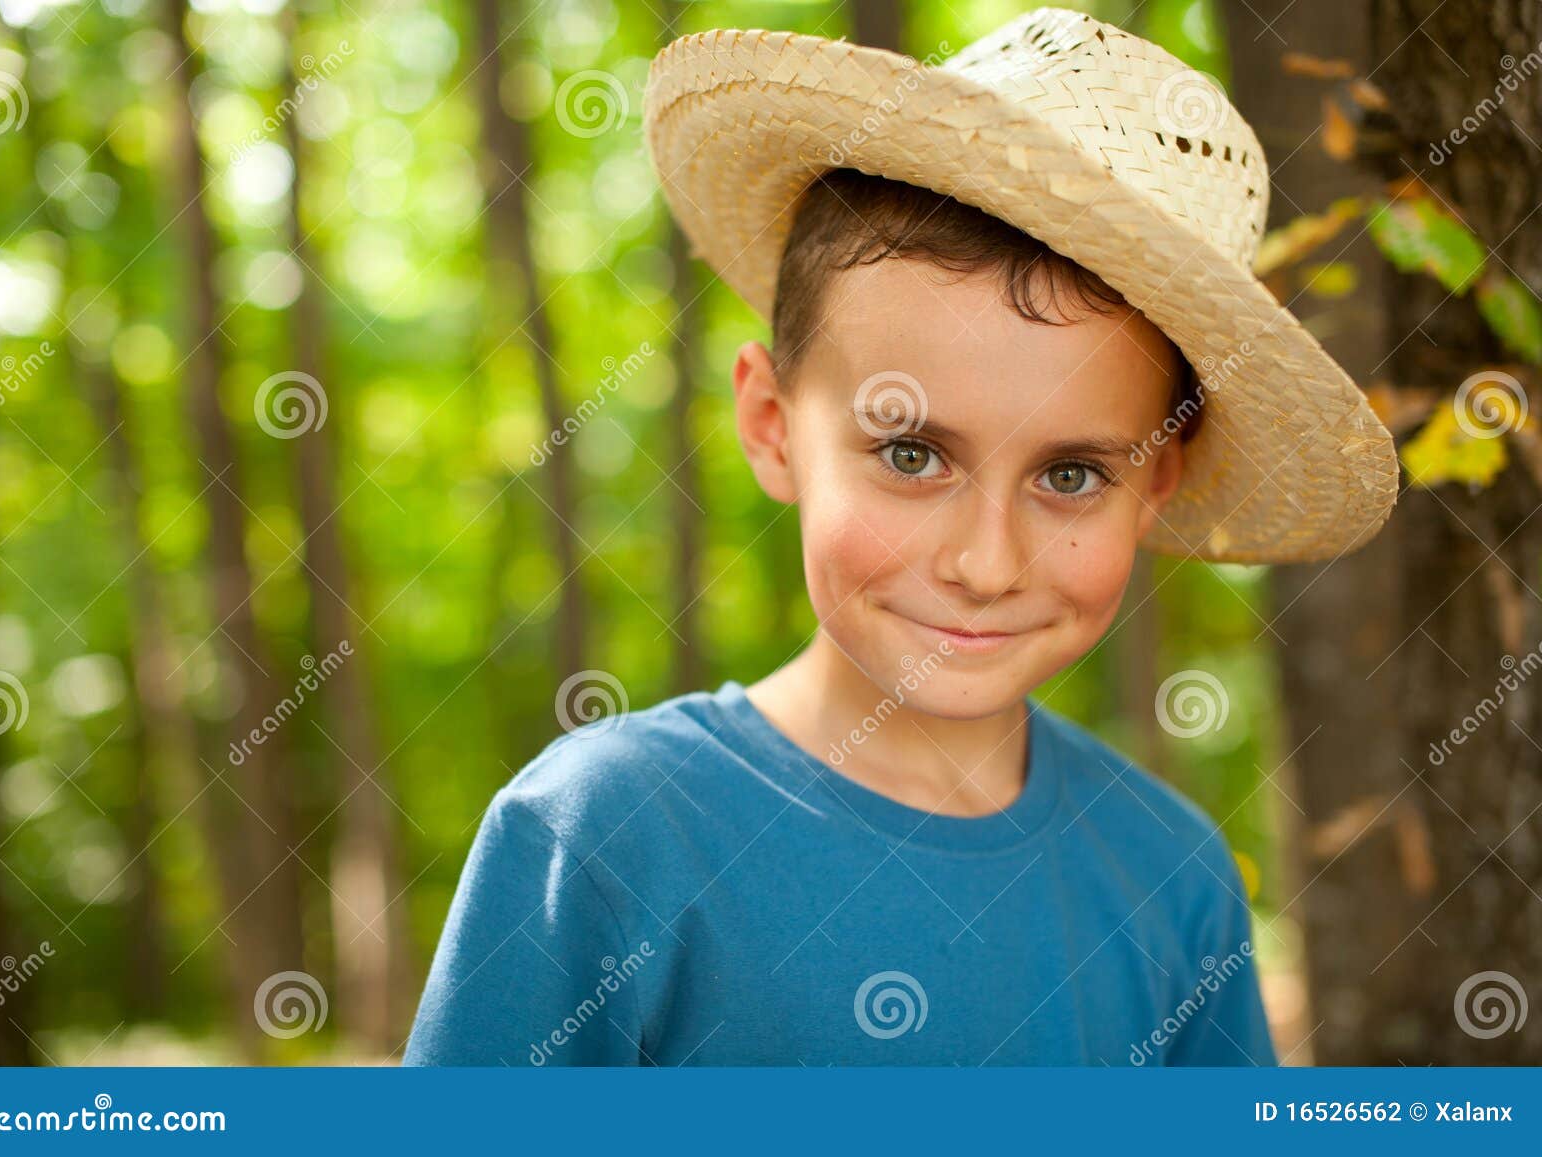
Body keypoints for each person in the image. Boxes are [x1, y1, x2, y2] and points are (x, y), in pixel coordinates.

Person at [403, 6, 1398, 1066]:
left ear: (1156, 477)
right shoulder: (602, 836)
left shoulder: (1172, 879)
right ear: (771, 426)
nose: (984, 562)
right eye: (913, 454)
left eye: (1069, 475)